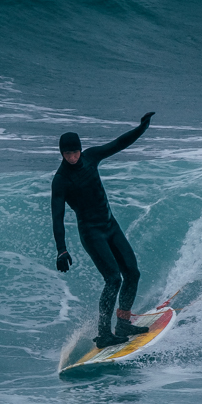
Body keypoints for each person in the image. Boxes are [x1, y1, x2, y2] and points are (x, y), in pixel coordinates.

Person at [51, 112, 155, 348]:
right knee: (112, 279)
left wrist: (142, 128)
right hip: (92, 233)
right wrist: (61, 250)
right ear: (62, 154)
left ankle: (124, 322)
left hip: (111, 225)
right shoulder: (61, 180)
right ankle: (103, 333)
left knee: (132, 272)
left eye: (75, 152)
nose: (73, 157)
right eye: (68, 154)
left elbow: (118, 144)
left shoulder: (91, 157)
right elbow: (57, 217)